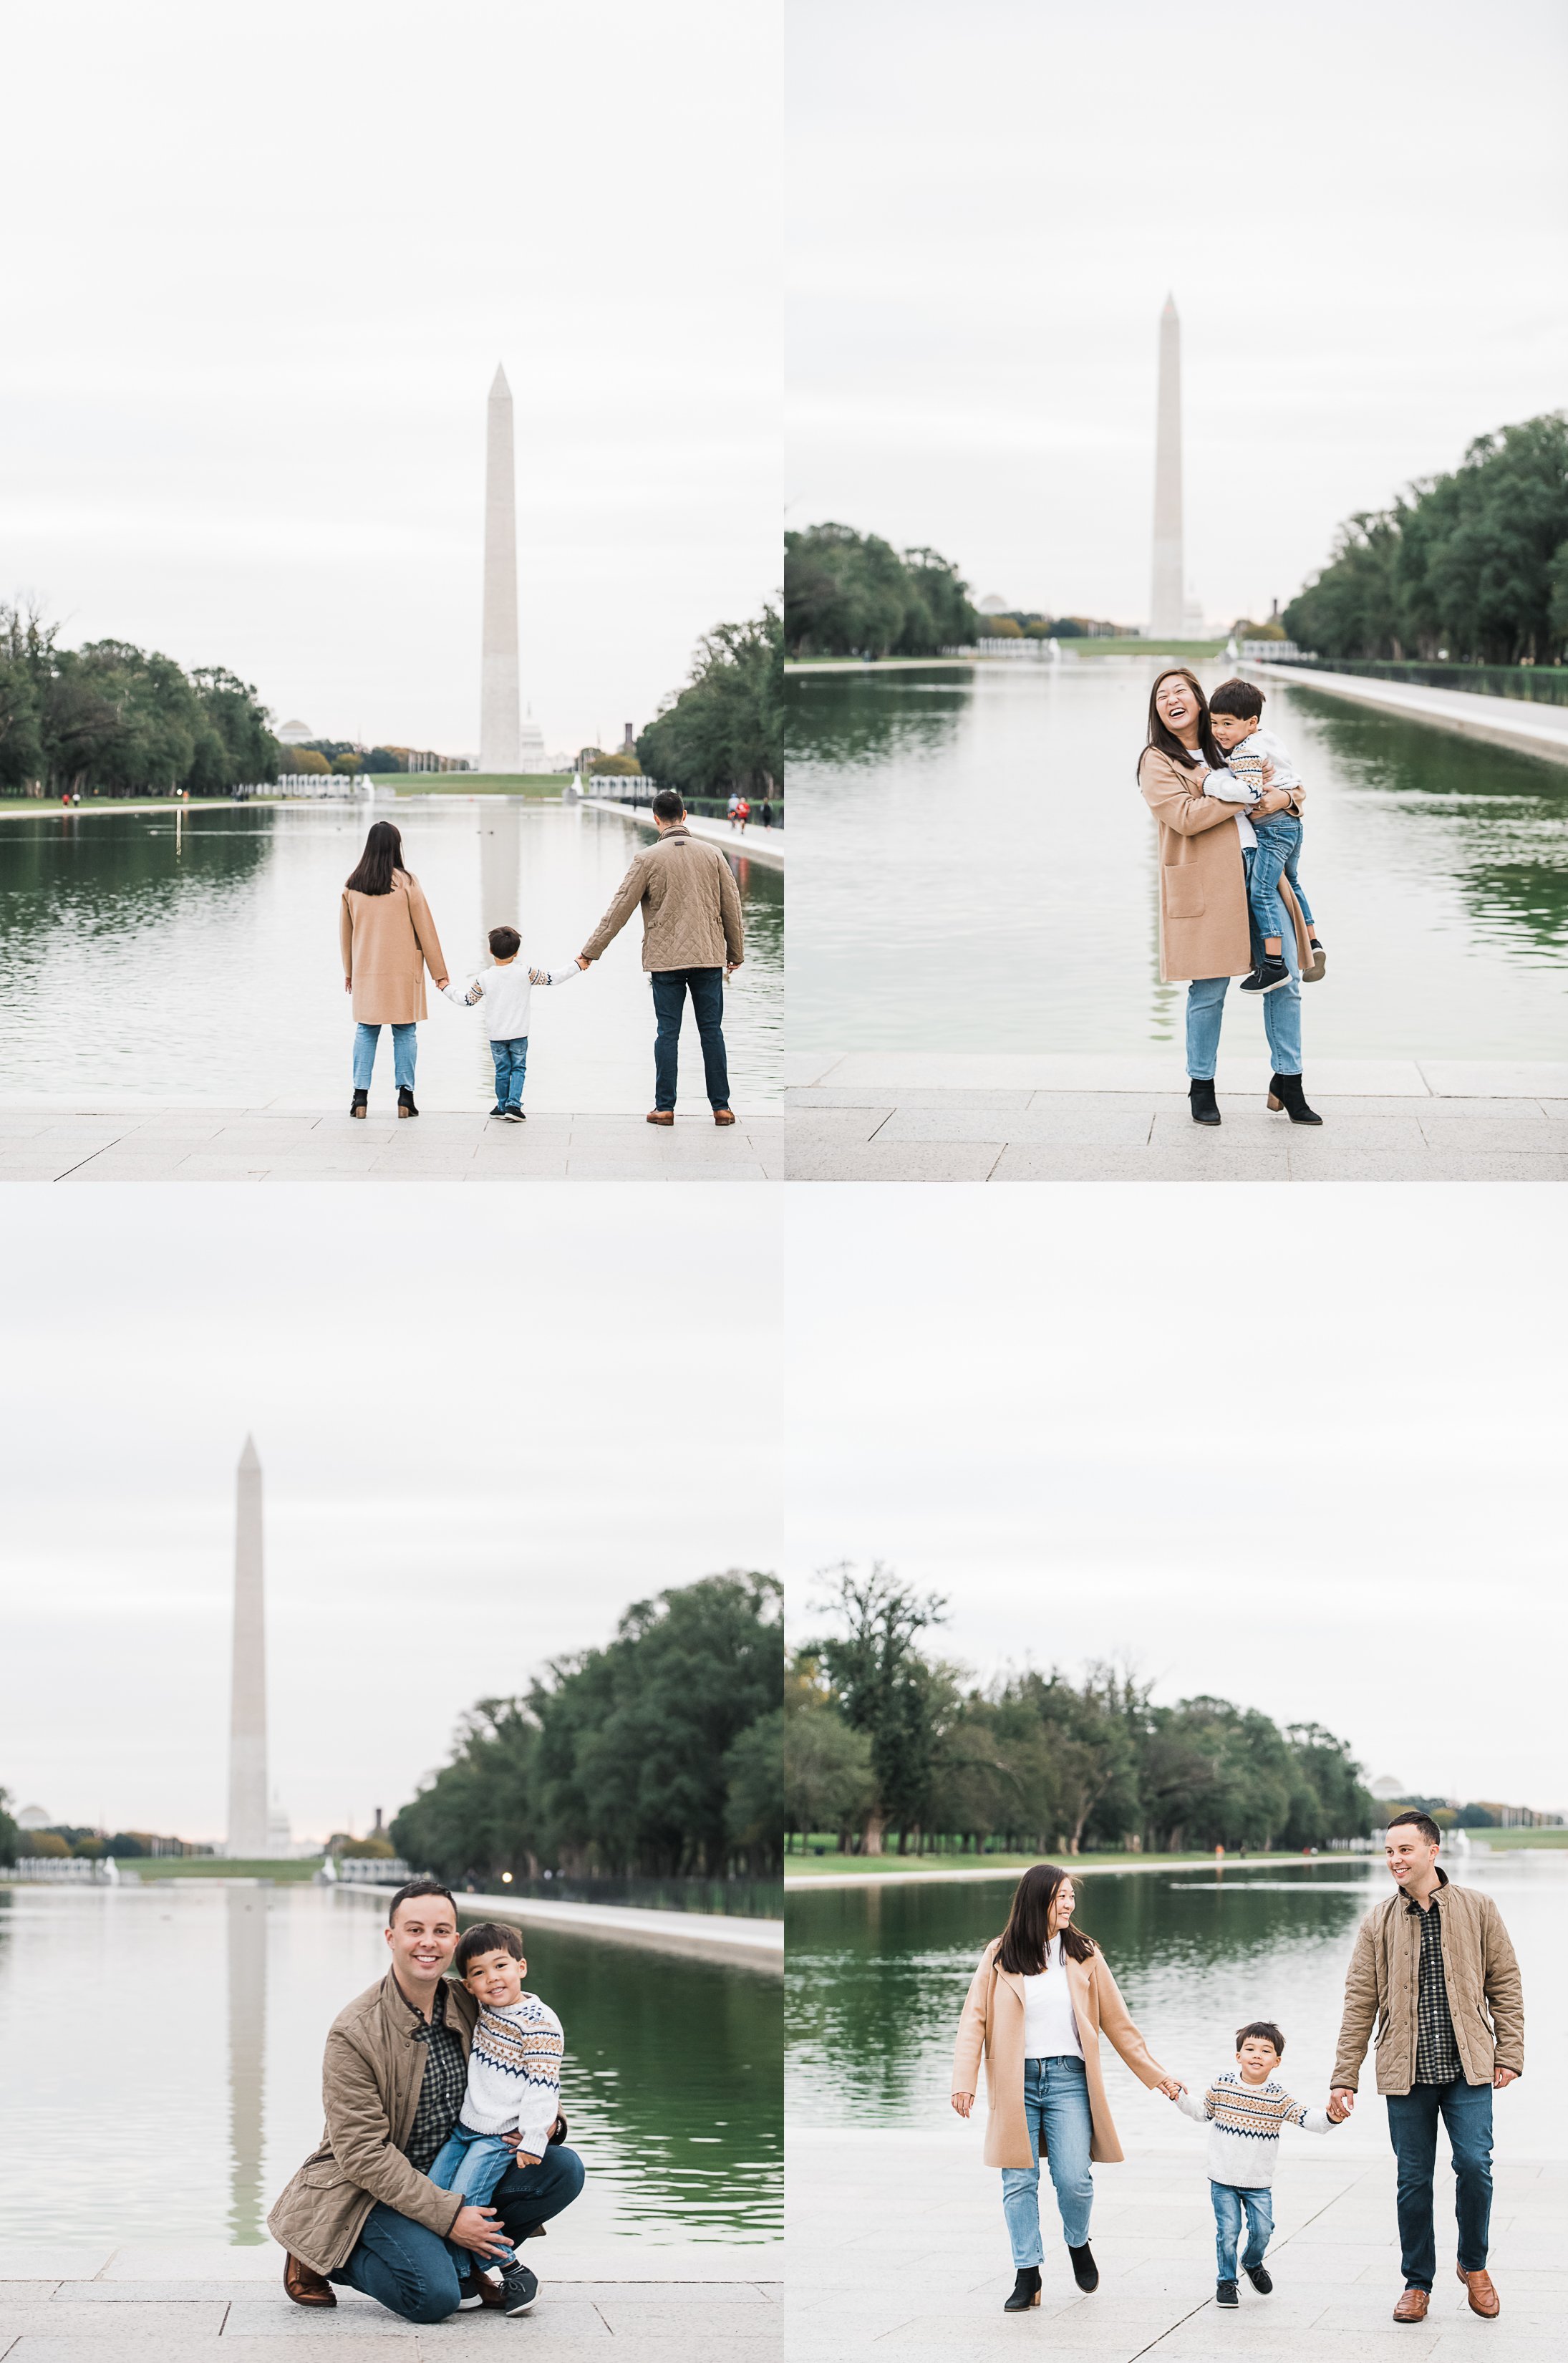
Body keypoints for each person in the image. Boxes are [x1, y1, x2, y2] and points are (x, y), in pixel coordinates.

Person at [269, 1879, 585, 2326]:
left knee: (563, 2170)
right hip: (372, 2189)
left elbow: (528, 2068)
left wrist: (548, 2125)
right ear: (391, 1937)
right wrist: (450, 2216)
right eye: (415, 1929)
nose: (428, 1942)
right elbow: (362, 2155)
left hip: (457, 2162)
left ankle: (469, 2265)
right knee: (433, 2299)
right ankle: (326, 2251)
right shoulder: (353, 2033)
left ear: (455, 1941)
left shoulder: (473, 1999)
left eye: (441, 1931)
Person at [951, 1863, 1183, 2314]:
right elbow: (973, 2020)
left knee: (1074, 2179)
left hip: (1068, 2081)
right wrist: (964, 2081)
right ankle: (1027, 2273)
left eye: (1071, 1896)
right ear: (1037, 1900)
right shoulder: (1000, 1955)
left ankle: (1077, 2242)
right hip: (1014, 2081)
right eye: (1061, 1897)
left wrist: (1158, 2076)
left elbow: (1119, 2023)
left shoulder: (1084, 1954)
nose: (1069, 1904)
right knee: (1018, 2179)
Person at [1330, 1814, 1523, 2325]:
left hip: (1468, 2066)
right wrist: (1343, 2076)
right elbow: (1358, 2003)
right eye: (1390, 1851)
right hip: (1405, 2070)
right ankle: (1417, 2283)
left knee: (1475, 2166)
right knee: (1413, 2180)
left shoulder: (1478, 1907)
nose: (1396, 1860)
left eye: (1406, 1850)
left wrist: (1510, 2053)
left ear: (1433, 1851)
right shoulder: (1377, 1921)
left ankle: (1474, 2266)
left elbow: (1505, 1983)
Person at [1137, 668, 1322, 1129]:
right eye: (1162, 695)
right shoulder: (1159, 760)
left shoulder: (1233, 738)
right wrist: (1243, 796)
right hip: (1207, 879)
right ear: (1157, 710)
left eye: (1180, 690)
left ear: (1199, 699)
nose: (1172, 699)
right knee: (1209, 987)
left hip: (1261, 872)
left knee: (1286, 981)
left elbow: (1293, 786)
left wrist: (1277, 798)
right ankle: (1202, 1086)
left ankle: (1289, 1082)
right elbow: (1183, 817)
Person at [579, 788, 745, 1126]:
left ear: (656, 819)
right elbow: (732, 906)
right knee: (711, 1032)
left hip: (665, 959)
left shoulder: (647, 858)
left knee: (668, 1032)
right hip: (709, 955)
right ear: (685, 815)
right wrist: (736, 952)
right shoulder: (713, 854)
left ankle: (665, 1107)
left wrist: (589, 953)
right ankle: (722, 1108)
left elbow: (618, 911)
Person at [428, 1920, 566, 2317]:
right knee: (437, 2196)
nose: (493, 1978)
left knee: (469, 2205)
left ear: (521, 1967)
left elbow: (543, 2087)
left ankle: (511, 2271)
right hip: (464, 2129)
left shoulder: (540, 2023)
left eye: (501, 1966)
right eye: (479, 1972)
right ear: (468, 1984)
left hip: (498, 2137)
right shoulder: (486, 2010)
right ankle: (465, 2281)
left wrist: (535, 2138)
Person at [1166, 2019, 1345, 2309]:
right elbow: (1202, 2112)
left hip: (1258, 2183)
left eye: (1266, 2051)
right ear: (1238, 2056)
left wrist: (1332, 2117)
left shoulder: (1277, 2097)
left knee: (1263, 2230)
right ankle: (1226, 2282)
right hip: (1223, 2178)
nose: (1257, 2055)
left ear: (1277, 2061)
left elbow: (1308, 2119)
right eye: (1250, 2049)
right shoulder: (1223, 2085)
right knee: (1228, 2231)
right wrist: (1179, 2096)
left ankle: (1251, 2261)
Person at [1204, 680, 1325, 992]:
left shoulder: (1246, 751)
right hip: (1292, 824)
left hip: (1272, 828)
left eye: (1228, 724)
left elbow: (1250, 792)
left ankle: (1274, 965)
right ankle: (1312, 942)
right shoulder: (1268, 739)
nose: (1219, 731)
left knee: (1260, 890)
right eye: (1214, 723)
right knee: (1292, 882)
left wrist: (1211, 784)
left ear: (1251, 723)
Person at [340, 821, 449, 1119]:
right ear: (396, 847)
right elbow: (425, 929)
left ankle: (359, 1098)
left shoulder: (352, 884)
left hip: (366, 969)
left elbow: (345, 935)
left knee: (365, 1030)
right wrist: (439, 973)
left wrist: (349, 972)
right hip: (402, 969)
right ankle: (406, 1097)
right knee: (405, 1032)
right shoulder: (408, 882)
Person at [440, 925, 581, 1121]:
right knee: (518, 1069)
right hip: (519, 1034)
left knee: (501, 1071)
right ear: (516, 953)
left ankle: (501, 1105)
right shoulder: (526, 973)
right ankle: (513, 1106)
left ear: (490, 951)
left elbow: (467, 1000)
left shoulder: (485, 977)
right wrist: (577, 965)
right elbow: (552, 978)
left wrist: (445, 987)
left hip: (496, 1035)